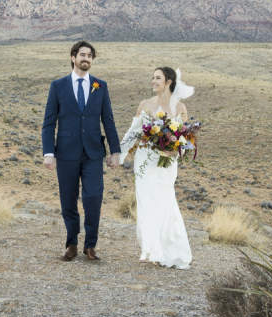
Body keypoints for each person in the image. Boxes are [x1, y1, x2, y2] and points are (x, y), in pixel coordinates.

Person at [42, 41, 121, 262]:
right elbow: (49, 123)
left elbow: (108, 120)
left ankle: (91, 245)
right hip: (66, 152)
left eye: (89, 56)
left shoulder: (100, 86)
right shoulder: (58, 86)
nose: (86, 59)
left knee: (93, 198)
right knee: (68, 199)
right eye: (82, 55)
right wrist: (48, 152)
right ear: (73, 58)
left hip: (93, 152)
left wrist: (115, 151)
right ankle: (71, 244)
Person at [119, 67, 193, 269]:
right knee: (145, 202)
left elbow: (184, 137)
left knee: (165, 201)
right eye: (152, 78)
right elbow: (133, 133)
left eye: (157, 78)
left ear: (169, 82)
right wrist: (119, 154)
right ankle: (149, 248)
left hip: (166, 163)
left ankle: (168, 248)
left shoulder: (180, 108)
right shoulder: (145, 105)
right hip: (145, 160)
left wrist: (175, 150)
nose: (153, 81)